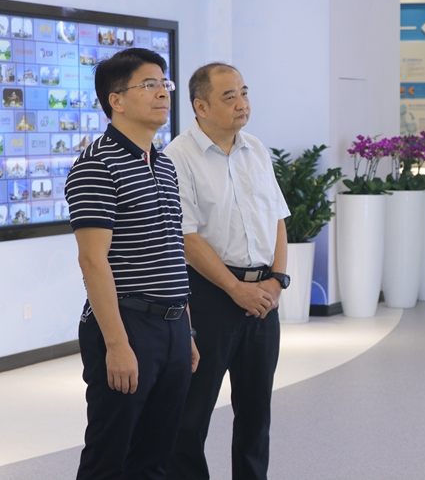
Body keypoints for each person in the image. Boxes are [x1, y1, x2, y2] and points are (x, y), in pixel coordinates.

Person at [65, 47, 199, 479]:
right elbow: (92, 260)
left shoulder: (164, 165)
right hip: (127, 323)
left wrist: (186, 329)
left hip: (172, 325)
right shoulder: (97, 165)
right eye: (149, 84)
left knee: (155, 457)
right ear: (116, 100)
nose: (163, 92)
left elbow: (172, 252)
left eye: (164, 83)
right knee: (111, 455)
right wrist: (117, 345)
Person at [164, 62, 290, 480]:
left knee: (256, 416)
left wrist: (277, 280)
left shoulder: (256, 148)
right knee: (190, 418)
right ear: (200, 106)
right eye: (229, 96)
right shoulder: (178, 157)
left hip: (263, 298)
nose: (242, 103)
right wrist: (236, 289)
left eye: (244, 92)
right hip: (211, 298)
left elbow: (277, 218)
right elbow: (187, 237)